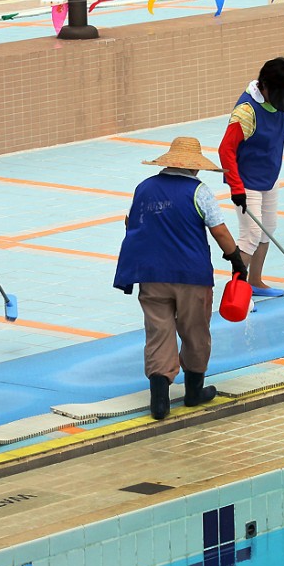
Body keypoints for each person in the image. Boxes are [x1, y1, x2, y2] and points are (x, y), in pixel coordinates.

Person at [113, 137, 248, 420]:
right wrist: (236, 259)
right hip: (191, 276)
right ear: (194, 167)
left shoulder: (144, 188)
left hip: (152, 275)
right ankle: (193, 392)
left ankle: (159, 402)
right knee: (195, 331)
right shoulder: (199, 191)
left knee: (158, 332)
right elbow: (219, 231)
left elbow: (131, 223)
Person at [218, 57, 284, 298]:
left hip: (270, 176)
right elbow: (226, 150)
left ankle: (255, 281)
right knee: (251, 234)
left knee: (267, 230)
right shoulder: (246, 111)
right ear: (264, 86)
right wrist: (236, 188)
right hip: (247, 182)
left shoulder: (277, 102)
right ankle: (236, 292)